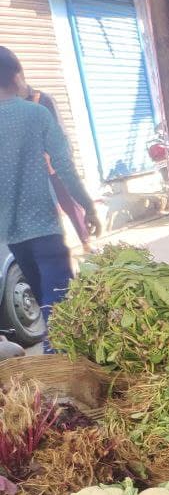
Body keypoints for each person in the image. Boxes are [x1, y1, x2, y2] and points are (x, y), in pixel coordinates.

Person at [0, 46, 100, 347]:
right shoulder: (36, 113)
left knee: (47, 304)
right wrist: (88, 206)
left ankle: (58, 364)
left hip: (12, 235)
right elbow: (64, 166)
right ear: (17, 76)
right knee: (60, 306)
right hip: (44, 227)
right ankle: (59, 368)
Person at [15, 71, 91, 253]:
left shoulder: (44, 100)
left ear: (19, 77)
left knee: (69, 204)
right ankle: (57, 249)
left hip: (53, 166)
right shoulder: (13, 107)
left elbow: (59, 134)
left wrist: (59, 157)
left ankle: (86, 241)